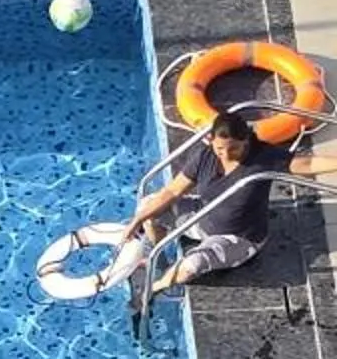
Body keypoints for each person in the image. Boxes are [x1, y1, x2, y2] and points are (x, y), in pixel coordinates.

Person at [113, 107, 333, 293]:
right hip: (202, 216)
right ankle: (161, 262)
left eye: (234, 149)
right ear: (211, 140)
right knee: (147, 208)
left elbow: (308, 164)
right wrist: (137, 220)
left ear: (246, 141)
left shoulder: (263, 157)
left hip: (238, 237)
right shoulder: (205, 155)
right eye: (220, 149)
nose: (226, 155)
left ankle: (156, 288)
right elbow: (172, 191)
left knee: (191, 266)